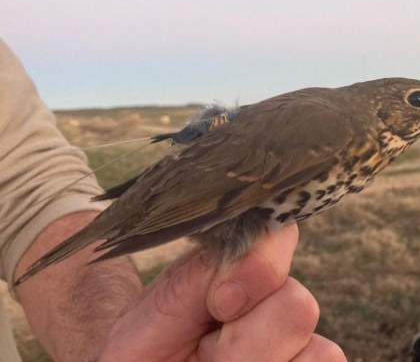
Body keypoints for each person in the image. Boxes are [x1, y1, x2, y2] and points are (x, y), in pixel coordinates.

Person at [0, 38, 346, 362]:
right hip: (194, 194)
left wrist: (126, 346)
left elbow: (30, 189)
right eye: (405, 99)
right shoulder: (330, 126)